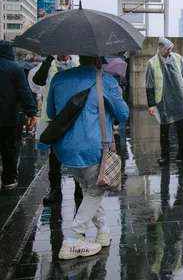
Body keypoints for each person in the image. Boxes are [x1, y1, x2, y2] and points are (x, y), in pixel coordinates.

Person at [47, 55, 129, 260]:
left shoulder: (58, 78)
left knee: (88, 189)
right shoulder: (106, 81)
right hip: (94, 149)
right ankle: (74, 238)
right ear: (99, 60)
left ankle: (103, 231)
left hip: (64, 149)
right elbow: (123, 114)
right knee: (96, 190)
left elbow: (51, 111)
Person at [30, 54, 82, 203]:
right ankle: (55, 190)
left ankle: (79, 188)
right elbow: (36, 83)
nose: (64, 54)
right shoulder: (48, 65)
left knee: (75, 153)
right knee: (54, 155)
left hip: (73, 115)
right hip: (53, 116)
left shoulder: (77, 63)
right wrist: (47, 61)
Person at [145, 37, 183, 165]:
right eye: (167, 49)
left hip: (179, 98)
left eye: (170, 49)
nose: (169, 51)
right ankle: (165, 155)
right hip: (162, 100)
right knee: (164, 130)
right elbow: (149, 85)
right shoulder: (152, 63)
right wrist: (151, 104)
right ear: (160, 48)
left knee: (181, 128)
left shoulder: (177, 58)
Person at [0, 41, 37, 190]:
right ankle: (9, 179)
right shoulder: (15, 68)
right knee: (9, 149)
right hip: (8, 117)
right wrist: (31, 112)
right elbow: (24, 91)